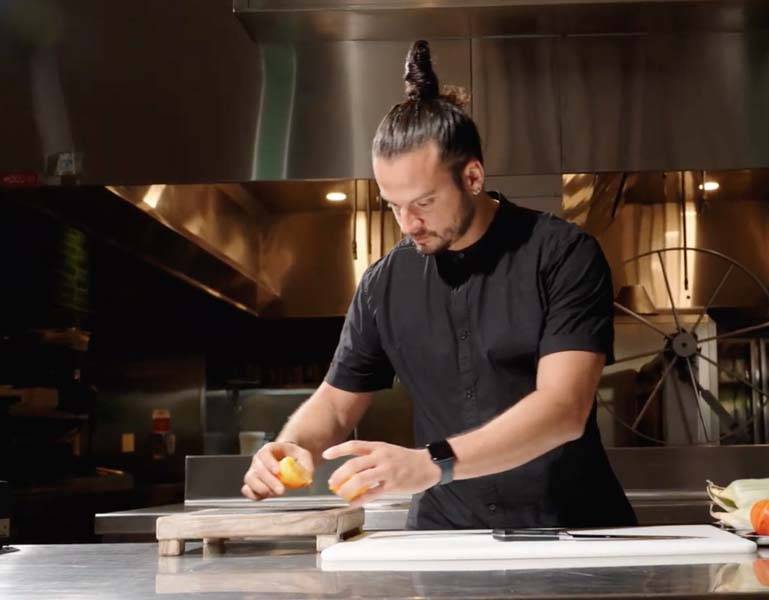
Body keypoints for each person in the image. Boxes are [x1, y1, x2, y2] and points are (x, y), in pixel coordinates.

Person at [241, 40, 636, 530]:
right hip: (446, 536)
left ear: (472, 176)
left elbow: (563, 408)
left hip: (573, 527)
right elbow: (336, 403)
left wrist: (432, 463)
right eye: (392, 204)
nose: (407, 223)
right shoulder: (383, 283)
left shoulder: (562, 254)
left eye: (424, 202)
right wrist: (293, 443)